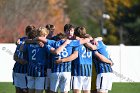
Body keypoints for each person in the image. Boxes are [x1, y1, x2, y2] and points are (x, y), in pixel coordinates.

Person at [13, 25, 35, 93]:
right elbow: (15, 56)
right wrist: (20, 60)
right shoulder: (21, 41)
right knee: (19, 90)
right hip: (18, 70)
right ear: (26, 33)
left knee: (28, 90)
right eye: (29, 32)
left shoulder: (36, 42)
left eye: (32, 32)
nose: (31, 34)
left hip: (29, 71)